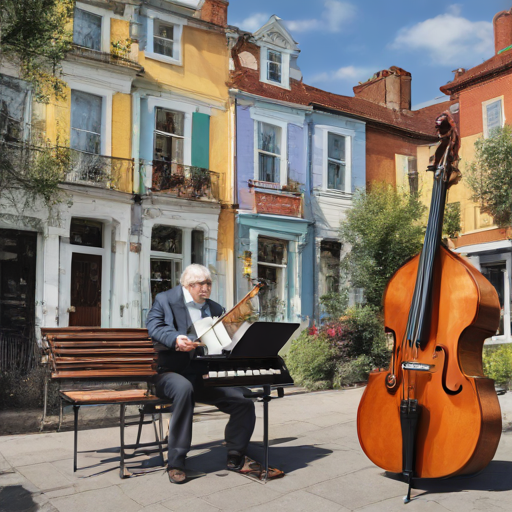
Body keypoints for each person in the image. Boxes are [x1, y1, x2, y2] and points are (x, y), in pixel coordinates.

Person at [146, 264, 256, 484]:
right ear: (187, 285)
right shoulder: (165, 300)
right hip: (169, 372)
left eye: (208, 283)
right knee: (184, 389)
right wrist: (176, 339)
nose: (205, 288)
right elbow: (154, 326)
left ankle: (235, 454)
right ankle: (176, 462)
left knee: (243, 399)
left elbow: (225, 339)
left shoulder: (215, 308)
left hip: (203, 374)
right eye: (200, 284)